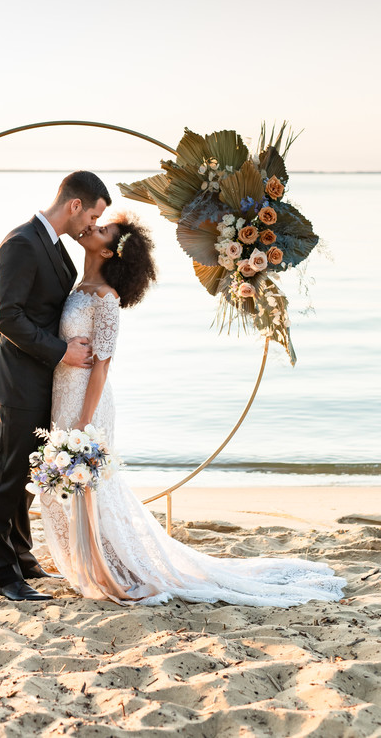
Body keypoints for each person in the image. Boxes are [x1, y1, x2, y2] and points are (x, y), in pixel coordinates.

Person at [41, 214, 347, 606]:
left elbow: (102, 365)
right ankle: (91, 563)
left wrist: (84, 423)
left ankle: (107, 569)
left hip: (88, 402)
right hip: (63, 394)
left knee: (92, 485)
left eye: (102, 230)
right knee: (77, 485)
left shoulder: (107, 297)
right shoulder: (79, 286)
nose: (92, 228)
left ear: (107, 250)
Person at [0, 171, 112, 601]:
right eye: (92, 215)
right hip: (13, 379)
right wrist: (61, 351)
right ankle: (1, 576)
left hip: (39, 381)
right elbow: (7, 316)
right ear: (74, 206)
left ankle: (22, 558)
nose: (91, 225)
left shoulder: (54, 246)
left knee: (24, 475)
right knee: (4, 474)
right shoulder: (20, 243)